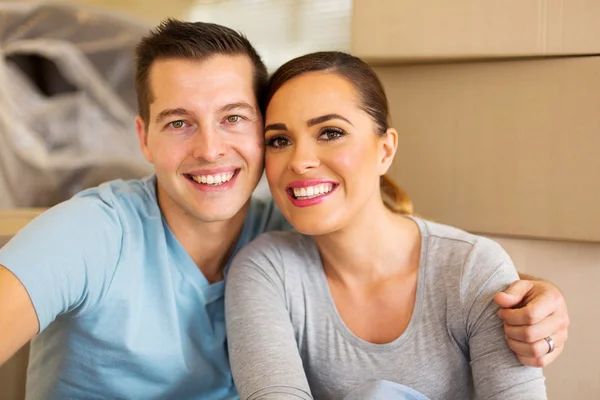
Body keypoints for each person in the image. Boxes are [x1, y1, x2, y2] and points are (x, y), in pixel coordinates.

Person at [0, 20, 566, 399]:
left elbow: (418, 259)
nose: (210, 148)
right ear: (144, 139)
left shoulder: (286, 229)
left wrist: (533, 293)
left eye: (234, 118)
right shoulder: (91, 233)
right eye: (179, 123)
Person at [225, 51, 552, 399]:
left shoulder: (472, 267)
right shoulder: (266, 270)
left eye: (331, 132)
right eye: (279, 140)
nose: (300, 161)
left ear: (385, 150)